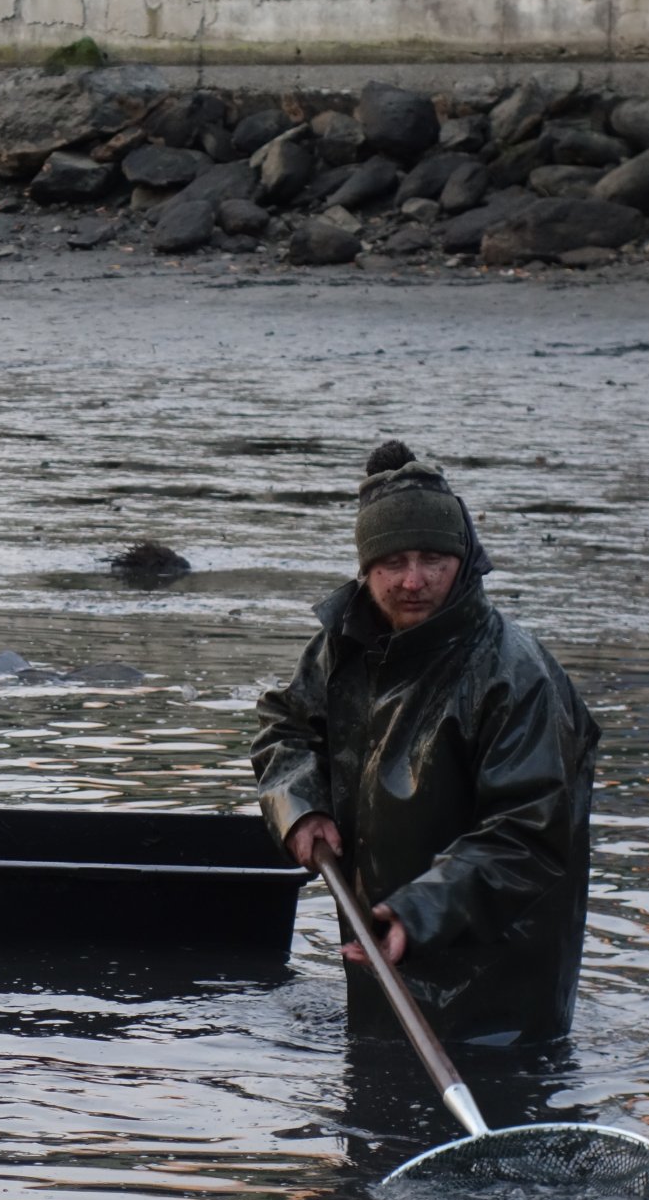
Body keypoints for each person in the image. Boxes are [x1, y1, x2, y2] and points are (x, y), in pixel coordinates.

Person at [251, 440, 599, 1045]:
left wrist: (419, 911)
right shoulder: (343, 646)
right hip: (380, 967)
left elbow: (529, 834)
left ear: (462, 560)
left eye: (433, 559)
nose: (414, 581)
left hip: (497, 1000)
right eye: (394, 562)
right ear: (367, 569)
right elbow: (287, 727)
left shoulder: (515, 676)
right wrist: (299, 806)